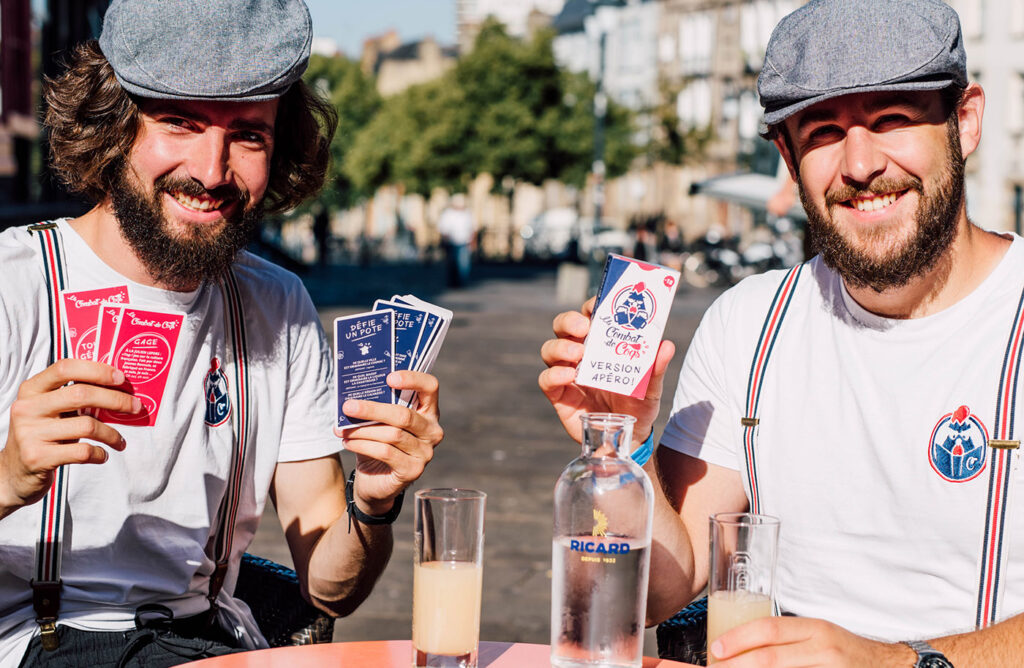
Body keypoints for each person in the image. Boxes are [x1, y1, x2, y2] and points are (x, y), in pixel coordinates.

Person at [540, 0, 1022, 665]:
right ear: (788, 161)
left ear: (964, 122)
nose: (859, 164)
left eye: (891, 119)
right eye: (823, 131)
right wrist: (619, 448)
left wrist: (896, 662)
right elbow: (661, 591)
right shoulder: (750, 323)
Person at [0, 0, 443, 665]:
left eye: (248, 135)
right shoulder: (14, 284)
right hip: (38, 642)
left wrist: (375, 501)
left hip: (211, 643)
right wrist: (7, 477)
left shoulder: (277, 304)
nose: (211, 171)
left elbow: (329, 586)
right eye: (179, 123)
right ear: (113, 124)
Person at [437, 194, 475, 287]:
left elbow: (473, 228)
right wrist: (445, 240)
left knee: (464, 265)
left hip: (464, 242)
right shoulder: (448, 213)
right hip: (451, 242)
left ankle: (461, 282)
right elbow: (443, 228)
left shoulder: (467, 213)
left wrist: (473, 241)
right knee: (452, 263)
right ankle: (452, 282)